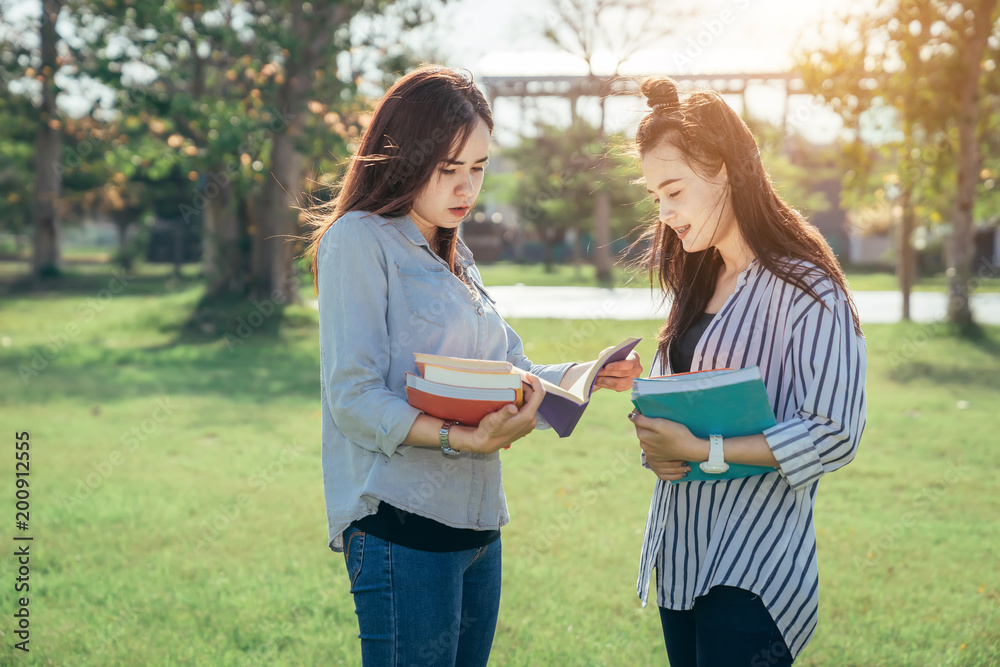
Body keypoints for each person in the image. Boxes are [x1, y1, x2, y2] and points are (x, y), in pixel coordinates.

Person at [303, 65, 642, 666]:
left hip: (479, 530)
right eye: (449, 169)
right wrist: (463, 440)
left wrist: (587, 374)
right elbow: (352, 398)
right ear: (404, 158)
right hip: (401, 529)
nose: (467, 188)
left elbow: (511, 371)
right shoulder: (358, 240)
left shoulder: (455, 256)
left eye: (478, 168)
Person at [625, 76, 867, 666]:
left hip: (754, 563)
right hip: (681, 555)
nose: (666, 212)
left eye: (675, 190)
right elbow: (685, 408)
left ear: (725, 169)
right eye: (656, 196)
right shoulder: (697, 281)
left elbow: (835, 432)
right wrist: (659, 445)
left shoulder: (809, 290)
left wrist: (706, 446)